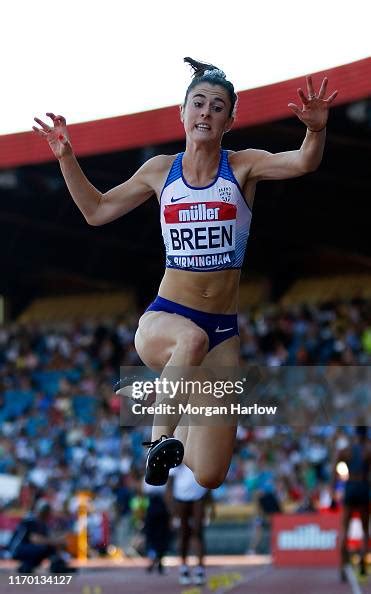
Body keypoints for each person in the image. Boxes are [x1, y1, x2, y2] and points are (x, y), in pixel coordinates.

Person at [33, 57, 338, 488]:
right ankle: (158, 441)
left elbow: (304, 162)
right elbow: (96, 210)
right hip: (165, 319)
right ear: (182, 112)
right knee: (190, 339)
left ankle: (174, 398)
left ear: (229, 120)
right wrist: (66, 157)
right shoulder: (161, 171)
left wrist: (316, 129)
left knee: (211, 474)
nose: (206, 113)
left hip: (223, 334)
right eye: (198, 103)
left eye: (217, 107)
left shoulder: (244, 166)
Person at [333, 426, 370, 580]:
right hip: (364, 487)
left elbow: (333, 470)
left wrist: (332, 490)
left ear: (355, 434)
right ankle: (362, 562)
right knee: (364, 529)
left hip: (350, 487)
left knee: (344, 529)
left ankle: (343, 567)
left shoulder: (345, 450)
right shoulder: (368, 449)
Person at [168, 463, 211, 586]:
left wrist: (210, 503)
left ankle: (200, 569)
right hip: (180, 498)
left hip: (199, 496)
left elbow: (209, 479)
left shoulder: (200, 453)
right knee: (183, 534)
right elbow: (169, 484)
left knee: (198, 532)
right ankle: (183, 568)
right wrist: (171, 510)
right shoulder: (178, 453)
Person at [7, 500, 74, 573]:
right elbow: (35, 539)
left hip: (27, 548)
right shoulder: (31, 520)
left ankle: (30, 565)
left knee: (47, 547)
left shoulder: (42, 523)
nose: (46, 514)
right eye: (45, 512)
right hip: (17, 549)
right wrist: (55, 542)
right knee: (43, 547)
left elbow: (48, 537)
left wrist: (60, 540)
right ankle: (30, 564)